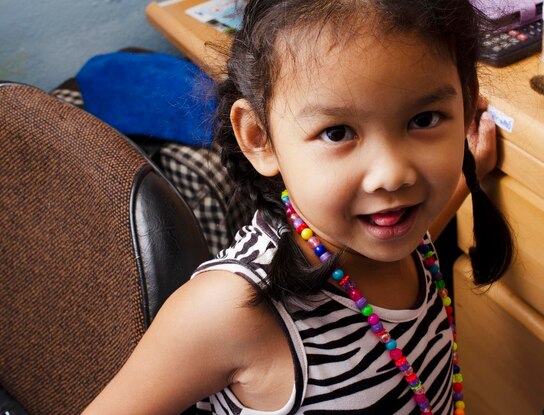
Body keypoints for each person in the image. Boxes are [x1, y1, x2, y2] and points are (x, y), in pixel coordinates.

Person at [84, 0, 512, 414]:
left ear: (466, 100)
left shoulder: (402, 232)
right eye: (338, 132)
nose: (392, 175)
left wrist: (465, 177)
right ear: (259, 138)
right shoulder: (231, 309)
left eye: (424, 120)